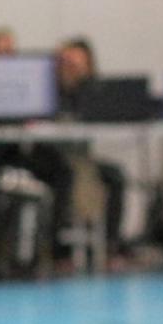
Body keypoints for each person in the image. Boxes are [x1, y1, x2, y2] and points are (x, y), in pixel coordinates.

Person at [54, 36, 129, 266]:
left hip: (83, 158)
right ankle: (59, 251)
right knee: (64, 177)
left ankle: (110, 245)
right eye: (68, 62)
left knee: (115, 176)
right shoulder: (49, 91)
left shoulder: (92, 91)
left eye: (79, 63)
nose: (72, 68)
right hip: (54, 156)